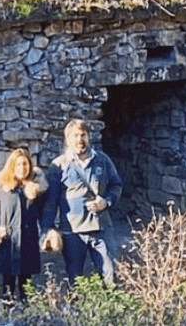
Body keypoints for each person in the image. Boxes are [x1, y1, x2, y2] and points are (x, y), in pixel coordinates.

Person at [40, 117, 123, 285]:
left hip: (101, 227)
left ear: (88, 136)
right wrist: (48, 229)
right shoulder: (59, 165)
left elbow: (116, 184)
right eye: (75, 136)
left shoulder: (102, 160)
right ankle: (77, 310)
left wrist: (106, 202)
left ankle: (111, 308)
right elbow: (50, 202)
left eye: (83, 135)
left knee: (110, 273)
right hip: (72, 231)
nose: (80, 140)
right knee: (75, 278)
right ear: (68, 139)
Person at [0, 147, 46, 302]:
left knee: (27, 285)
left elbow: (44, 214)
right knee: (7, 285)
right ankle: (7, 317)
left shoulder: (36, 188)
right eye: (18, 164)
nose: (22, 168)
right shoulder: (3, 186)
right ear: (12, 166)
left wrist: (47, 234)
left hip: (28, 241)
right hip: (8, 242)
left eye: (25, 164)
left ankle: (28, 316)